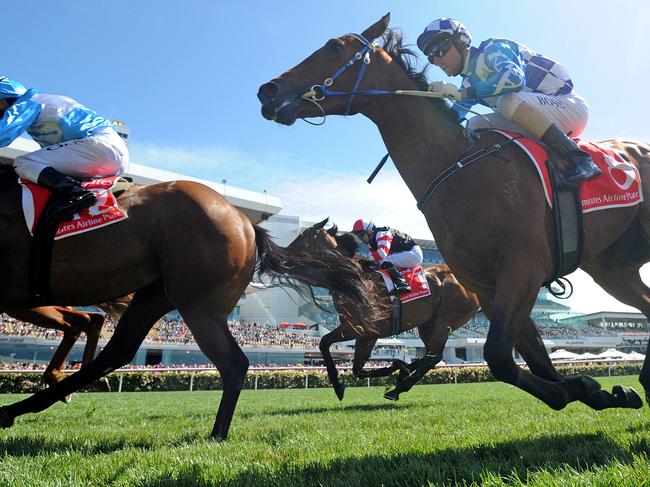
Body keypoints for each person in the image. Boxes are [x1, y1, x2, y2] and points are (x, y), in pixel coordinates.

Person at [417, 18, 601, 185]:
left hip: (568, 106)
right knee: (475, 124)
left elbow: (513, 79)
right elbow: (454, 118)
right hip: (538, 114)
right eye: (430, 56)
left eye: (439, 49)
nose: (436, 60)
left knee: (507, 101)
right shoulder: (468, 81)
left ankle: (580, 158)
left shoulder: (493, 48)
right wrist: (430, 100)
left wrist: (462, 93)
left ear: (460, 41)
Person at [0, 76, 129, 219]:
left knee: (23, 163)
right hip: (114, 156)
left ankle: (76, 193)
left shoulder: (28, 102)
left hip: (98, 147)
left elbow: (2, 135)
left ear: (2, 102)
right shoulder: (43, 102)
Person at [351, 219, 423, 295]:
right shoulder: (371, 244)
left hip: (414, 254)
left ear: (369, 231)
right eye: (358, 237)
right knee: (379, 263)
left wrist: (363, 257)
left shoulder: (382, 233)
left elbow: (382, 253)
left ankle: (403, 285)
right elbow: (374, 260)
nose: (360, 239)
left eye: (361, 235)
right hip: (405, 253)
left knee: (384, 260)